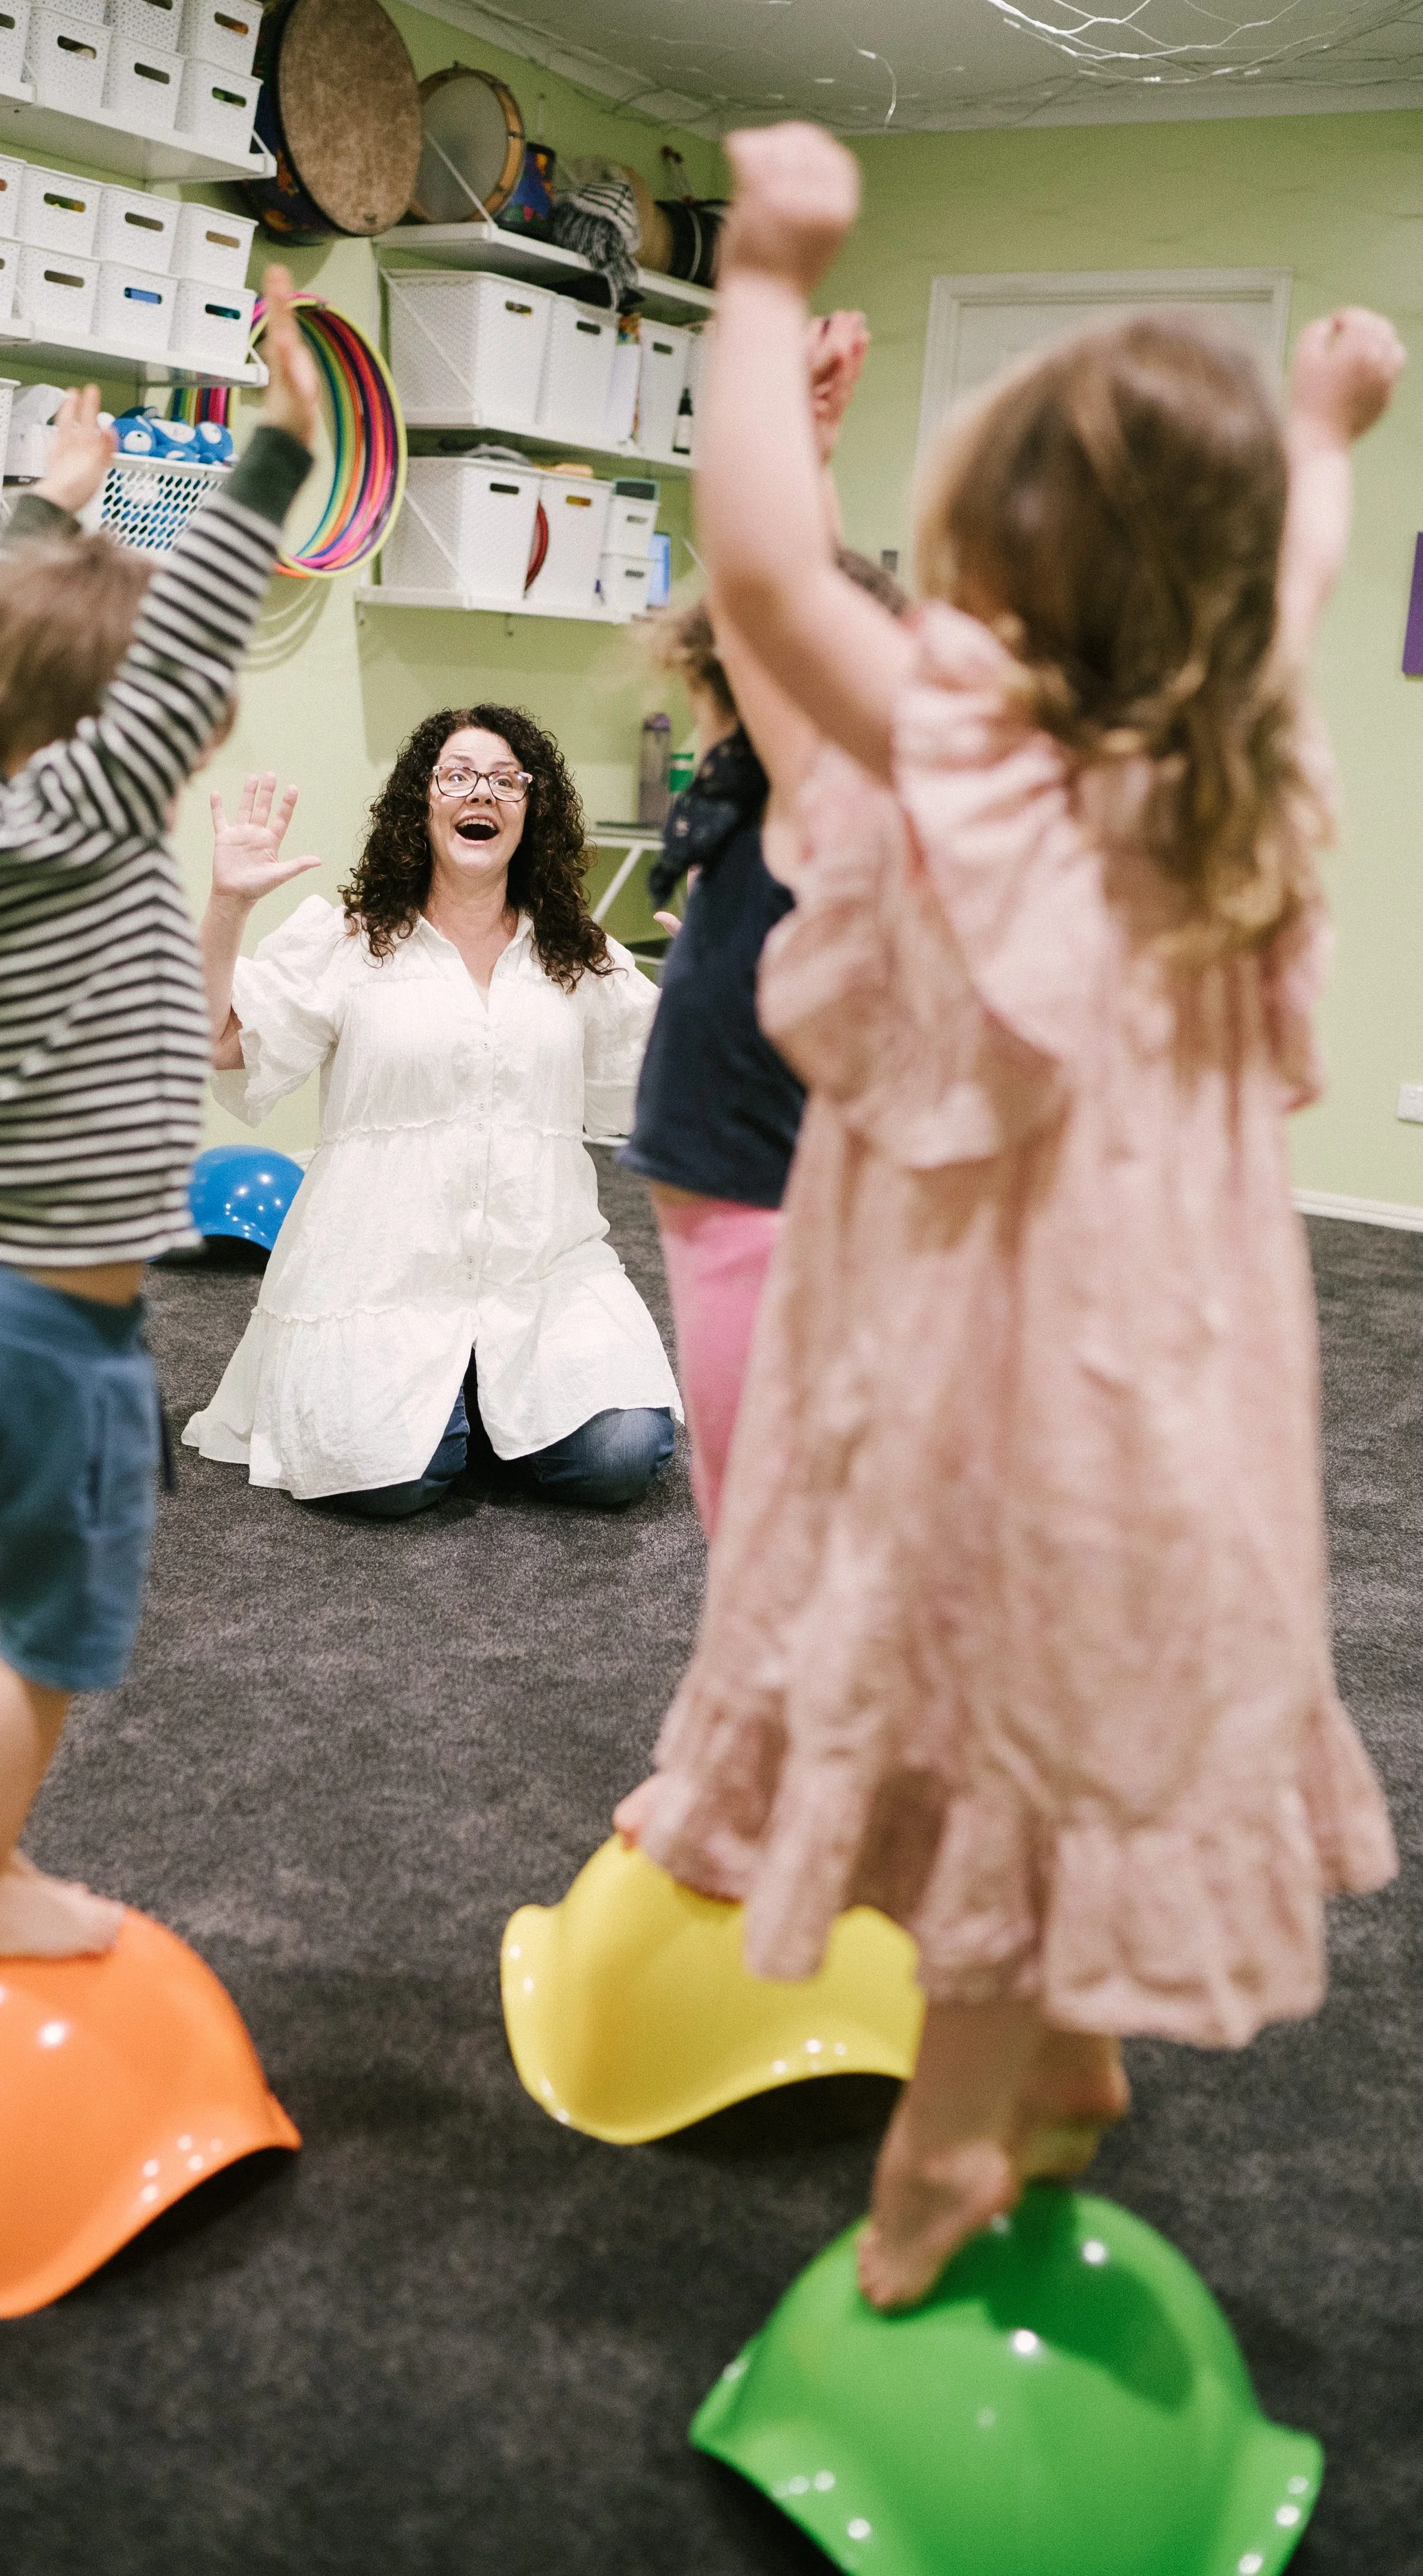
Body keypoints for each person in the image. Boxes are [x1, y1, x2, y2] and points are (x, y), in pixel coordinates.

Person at [616, 123, 1402, 2309]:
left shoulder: (971, 767)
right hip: (1182, 1397)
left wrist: (758, 279)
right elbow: (1304, 572)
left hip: (992, 1384)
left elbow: (769, 578)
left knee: (960, 1723)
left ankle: (947, 2129)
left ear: (990, 558)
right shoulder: (1233, 760)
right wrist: (1323, 426)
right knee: (1072, 1711)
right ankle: (1060, 2051)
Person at [0, 274, 321, 1958]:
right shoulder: (90, 822)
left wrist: (43, 514)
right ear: (122, 727)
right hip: (57, 1335)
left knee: (3, 1586)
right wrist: (274, 442)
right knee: (59, 1631)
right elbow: (198, 622)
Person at [182, 708, 681, 1515]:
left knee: (623, 1460)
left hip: (539, 1274)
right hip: (380, 1272)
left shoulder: (580, 954)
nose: (479, 790)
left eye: (504, 778)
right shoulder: (348, 941)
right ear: (423, 802)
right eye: (456, 773)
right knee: (389, 1479)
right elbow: (216, 1040)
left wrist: (722, 984)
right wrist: (227, 907)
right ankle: (473, 1402)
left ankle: (490, 1388)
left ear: (529, 808)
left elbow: (667, 1067)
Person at [619, 318, 905, 1535]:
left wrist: (781, 434)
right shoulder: (768, 798)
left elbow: (781, 604)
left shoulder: (825, 802)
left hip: (767, 1214)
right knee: (760, 1507)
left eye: (710, 699)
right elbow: (813, 603)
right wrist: (816, 461)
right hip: (739, 1201)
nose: (700, 730)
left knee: (769, 1520)